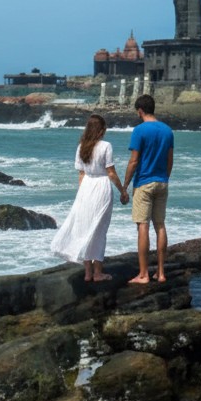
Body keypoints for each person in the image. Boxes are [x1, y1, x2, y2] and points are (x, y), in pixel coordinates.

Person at [50, 114, 129, 282]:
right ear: (101, 130)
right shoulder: (106, 146)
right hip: (101, 187)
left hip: (86, 188)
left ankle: (88, 273)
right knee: (100, 229)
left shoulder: (81, 147)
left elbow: (81, 174)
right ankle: (98, 273)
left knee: (85, 227)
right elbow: (111, 173)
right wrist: (123, 191)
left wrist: (81, 194)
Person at [123, 94, 174, 284]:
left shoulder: (139, 130)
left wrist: (125, 185)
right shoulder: (168, 131)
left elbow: (134, 161)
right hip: (162, 181)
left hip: (144, 183)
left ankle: (143, 274)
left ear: (140, 111)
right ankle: (160, 273)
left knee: (142, 226)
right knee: (160, 225)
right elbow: (170, 160)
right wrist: (165, 178)